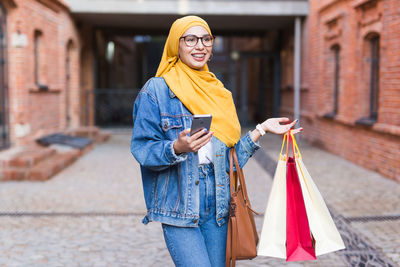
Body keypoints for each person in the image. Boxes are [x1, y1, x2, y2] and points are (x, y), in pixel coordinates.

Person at [131, 15, 302, 267]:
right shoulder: (156, 90)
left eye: (206, 39)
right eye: (190, 39)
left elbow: (230, 162)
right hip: (180, 206)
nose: (200, 46)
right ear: (175, 45)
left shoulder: (219, 92)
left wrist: (262, 129)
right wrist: (176, 148)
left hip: (219, 206)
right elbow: (143, 148)